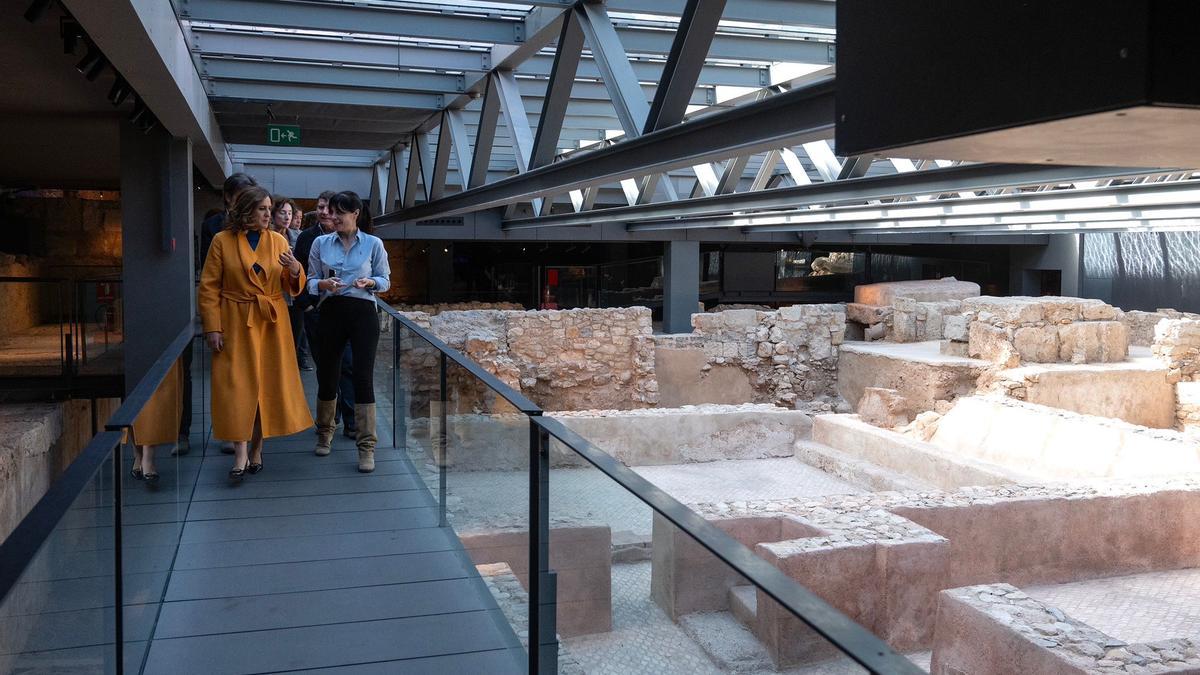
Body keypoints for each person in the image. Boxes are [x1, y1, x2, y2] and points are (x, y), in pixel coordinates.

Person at [199, 186, 313, 481]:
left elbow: (291, 286)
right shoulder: (222, 241)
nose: (269, 214)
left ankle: (257, 449)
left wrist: (295, 268)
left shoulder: (278, 240)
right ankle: (239, 452)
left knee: (265, 386)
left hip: (271, 324)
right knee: (236, 386)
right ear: (246, 210)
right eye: (262, 209)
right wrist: (212, 326)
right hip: (235, 320)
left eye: (269, 208)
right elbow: (209, 286)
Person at [307, 191, 391, 472]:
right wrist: (323, 285)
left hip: (362, 312)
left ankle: (367, 447)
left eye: (339, 213)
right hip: (331, 311)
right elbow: (310, 281)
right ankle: (324, 433)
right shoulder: (320, 243)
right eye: (332, 212)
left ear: (355, 213)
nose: (333, 218)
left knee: (362, 376)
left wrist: (370, 282)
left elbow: (385, 280)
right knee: (327, 374)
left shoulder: (373, 244)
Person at [195, 173, 259, 456]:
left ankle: (254, 436)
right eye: (238, 196)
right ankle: (234, 432)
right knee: (230, 378)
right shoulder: (215, 230)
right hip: (229, 313)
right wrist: (212, 325)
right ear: (229, 198)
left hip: (259, 316)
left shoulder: (265, 230)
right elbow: (209, 281)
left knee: (258, 376)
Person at [295, 191, 357, 433]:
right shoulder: (308, 239)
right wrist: (306, 306)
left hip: (345, 311)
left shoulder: (351, 238)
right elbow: (298, 275)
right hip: (317, 312)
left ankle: (351, 420)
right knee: (326, 367)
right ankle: (331, 418)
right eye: (319, 207)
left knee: (349, 365)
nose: (323, 212)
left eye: (328, 209)